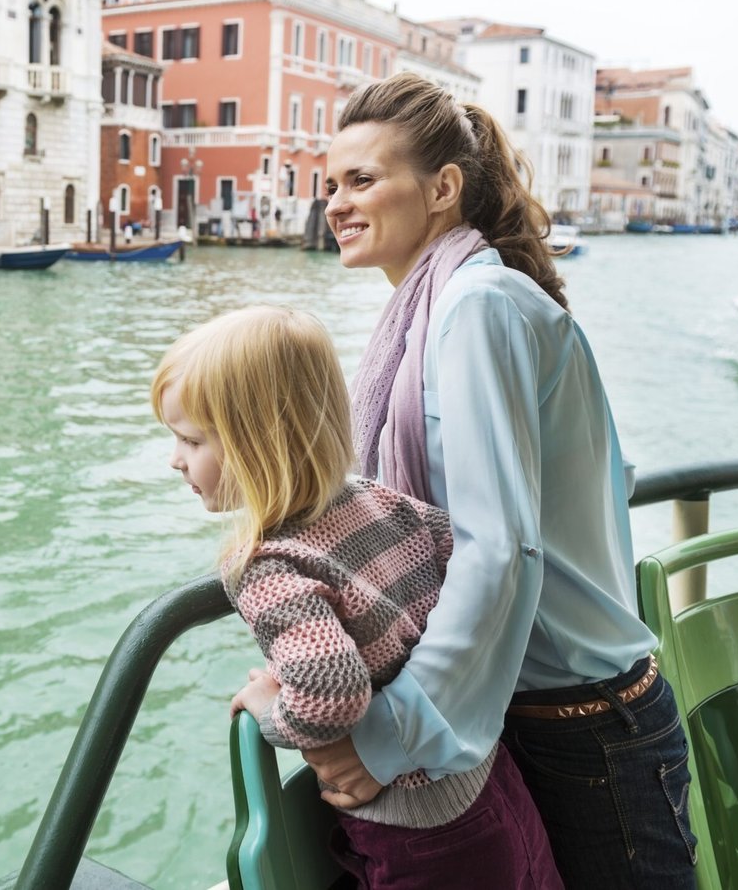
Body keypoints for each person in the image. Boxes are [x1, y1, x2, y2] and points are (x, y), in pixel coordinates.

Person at [298, 72, 697, 887]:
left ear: (443, 188)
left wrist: (391, 737)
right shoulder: (447, 307)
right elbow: (601, 478)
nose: (335, 203)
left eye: (362, 180)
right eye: (329, 184)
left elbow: (499, 548)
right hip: (551, 717)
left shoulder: (476, 307)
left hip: (586, 729)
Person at [152, 306, 563, 889]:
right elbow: (454, 555)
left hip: (421, 834)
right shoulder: (374, 499)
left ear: (258, 444)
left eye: (191, 439)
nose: (176, 459)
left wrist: (271, 712)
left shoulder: (267, 565)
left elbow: (329, 691)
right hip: (487, 777)